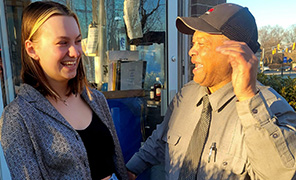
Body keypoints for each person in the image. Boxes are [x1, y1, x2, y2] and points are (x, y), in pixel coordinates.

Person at [126, 3, 296, 180]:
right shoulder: (187, 94)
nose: (192, 51)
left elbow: (279, 174)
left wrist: (247, 98)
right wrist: (130, 170)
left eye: (202, 43)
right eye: (193, 43)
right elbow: (160, 140)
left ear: (237, 52)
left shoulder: (271, 109)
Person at [0, 1, 128, 180]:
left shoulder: (95, 98)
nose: (75, 52)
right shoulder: (19, 117)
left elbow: (117, 163)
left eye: (77, 41)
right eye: (62, 43)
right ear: (32, 49)